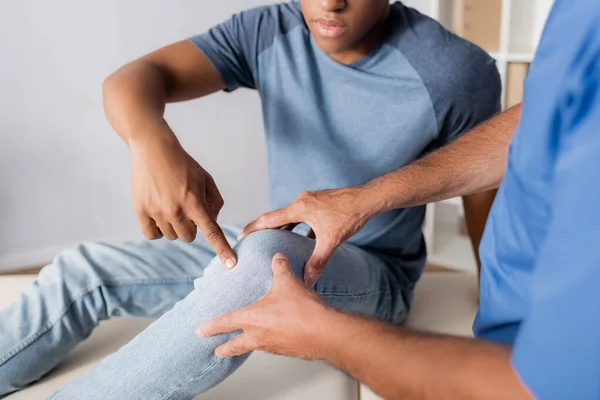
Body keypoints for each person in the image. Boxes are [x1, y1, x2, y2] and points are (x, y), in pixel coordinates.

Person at [0, 0, 500, 398]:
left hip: (372, 274)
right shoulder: (271, 30)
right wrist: (151, 144)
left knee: (260, 261)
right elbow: (134, 78)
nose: (330, 3)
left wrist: (495, 302)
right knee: (84, 268)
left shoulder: (455, 71)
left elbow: (483, 187)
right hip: (276, 242)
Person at [198, 0, 600, 399]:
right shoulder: (579, 16)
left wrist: (324, 334)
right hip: (504, 319)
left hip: (512, 341)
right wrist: (365, 198)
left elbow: (540, 389)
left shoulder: (455, 67)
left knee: (261, 258)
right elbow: (532, 124)